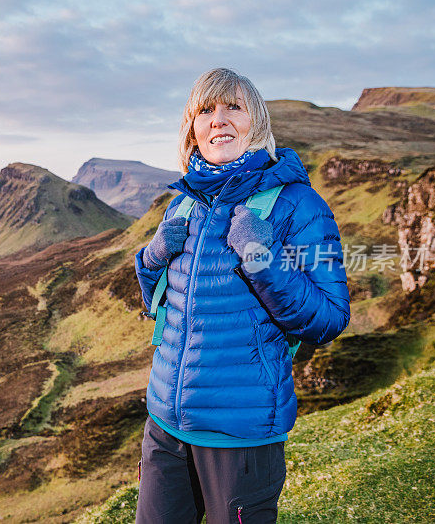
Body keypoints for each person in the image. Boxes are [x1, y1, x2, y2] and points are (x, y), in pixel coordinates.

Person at [134, 67, 350, 523]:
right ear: (192, 129)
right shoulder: (185, 201)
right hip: (165, 426)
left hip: (240, 436)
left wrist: (258, 254)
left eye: (234, 106)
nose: (219, 120)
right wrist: (150, 260)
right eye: (206, 110)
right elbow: (161, 304)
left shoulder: (296, 205)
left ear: (258, 121)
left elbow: (329, 317)